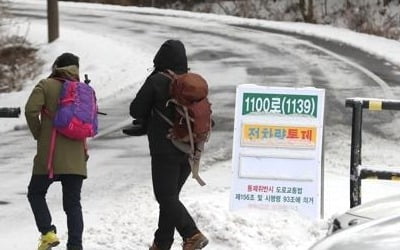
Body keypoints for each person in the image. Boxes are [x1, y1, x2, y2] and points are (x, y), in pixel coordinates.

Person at [130, 40, 209, 250]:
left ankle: (192, 233)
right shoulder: (193, 82)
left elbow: (135, 110)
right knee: (170, 198)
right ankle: (162, 243)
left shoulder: (157, 81)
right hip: (190, 148)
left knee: (164, 196)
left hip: (165, 149)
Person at [25, 53, 86, 250]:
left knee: (35, 192)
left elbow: (30, 110)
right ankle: (75, 246)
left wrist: (39, 133)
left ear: (56, 66)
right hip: (77, 156)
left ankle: (48, 233)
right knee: (73, 205)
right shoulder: (83, 90)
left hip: (49, 154)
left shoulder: (45, 84)